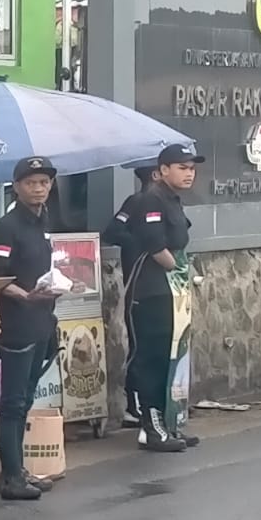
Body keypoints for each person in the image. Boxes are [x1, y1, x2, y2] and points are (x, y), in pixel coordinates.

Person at [103, 147, 199, 451]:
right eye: (182, 167)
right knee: (152, 359)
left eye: (191, 168)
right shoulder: (149, 200)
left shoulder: (172, 200)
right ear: (163, 170)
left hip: (171, 292)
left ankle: (169, 424)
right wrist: (176, 266)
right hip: (149, 291)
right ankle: (151, 426)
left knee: (170, 357)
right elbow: (156, 246)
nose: (189, 173)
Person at [0, 156, 63, 500]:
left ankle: (17, 470)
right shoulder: (6, 228)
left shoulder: (44, 221)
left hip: (42, 322)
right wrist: (26, 296)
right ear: (17, 187)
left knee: (27, 399)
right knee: (13, 403)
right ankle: (10, 477)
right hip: (16, 324)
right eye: (31, 183)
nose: (38, 188)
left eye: (44, 182)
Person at [104, 163, 159, 427]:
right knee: (140, 346)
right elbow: (112, 231)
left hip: (162, 286)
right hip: (137, 286)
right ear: (157, 174)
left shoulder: (167, 205)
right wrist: (138, 243)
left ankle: (158, 406)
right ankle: (133, 406)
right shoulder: (137, 201)